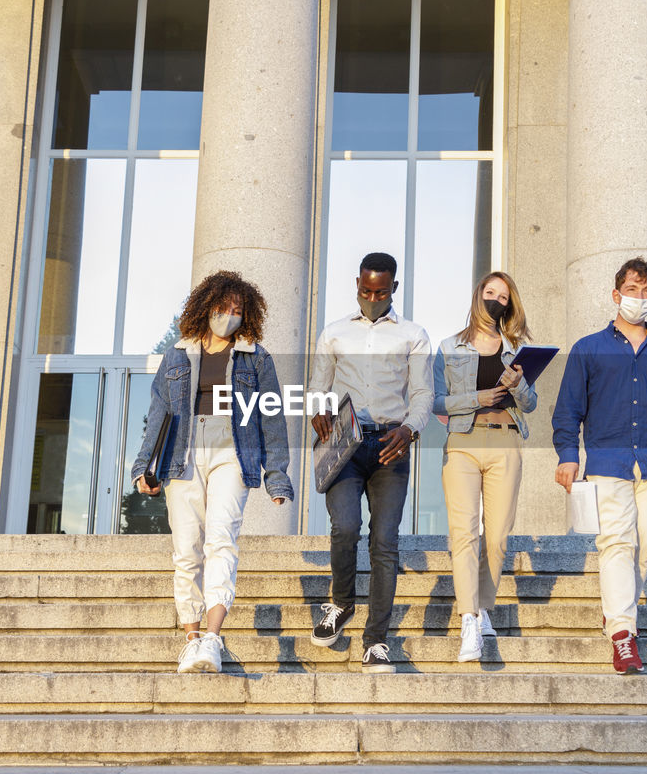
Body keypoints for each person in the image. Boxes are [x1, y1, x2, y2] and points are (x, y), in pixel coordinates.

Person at [132, 270, 293, 674]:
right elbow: (158, 414)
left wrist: (276, 474)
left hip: (232, 448)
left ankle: (213, 637)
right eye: (223, 308)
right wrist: (141, 466)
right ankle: (191, 638)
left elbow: (270, 417)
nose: (230, 316)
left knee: (222, 539)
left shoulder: (257, 357)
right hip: (182, 452)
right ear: (207, 307)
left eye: (238, 310)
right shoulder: (177, 354)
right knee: (186, 548)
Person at [551, 257, 647, 674]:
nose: (640, 298)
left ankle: (616, 609)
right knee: (616, 543)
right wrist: (567, 454)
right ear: (617, 295)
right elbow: (568, 410)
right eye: (633, 290)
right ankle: (622, 636)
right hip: (607, 461)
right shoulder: (588, 349)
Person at [307, 252, 433, 673]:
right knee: (345, 527)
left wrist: (409, 430)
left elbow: (422, 394)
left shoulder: (413, 335)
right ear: (356, 285)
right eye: (365, 290)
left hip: (390, 446)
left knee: (385, 541)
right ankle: (341, 604)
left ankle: (376, 641)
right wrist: (318, 410)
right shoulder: (335, 333)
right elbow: (317, 388)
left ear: (394, 288)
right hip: (343, 444)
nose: (372, 297)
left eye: (381, 292)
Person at [433, 272, 537, 663]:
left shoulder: (516, 349)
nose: (495, 299)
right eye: (490, 292)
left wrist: (517, 385)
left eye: (503, 296)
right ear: (478, 295)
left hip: (506, 441)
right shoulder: (449, 346)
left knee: (497, 537)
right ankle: (468, 620)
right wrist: (477, 397)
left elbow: (530, 405)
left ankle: (484, 606)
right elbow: (436, 402)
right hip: (463, 441)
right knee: (464, 534)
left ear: (509, 304)